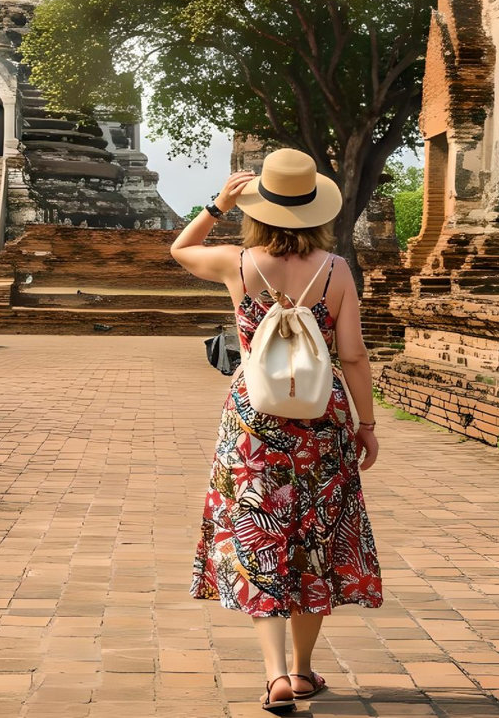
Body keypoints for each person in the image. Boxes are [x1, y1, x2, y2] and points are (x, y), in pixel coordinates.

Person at [170, 148, 384, 714]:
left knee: (260, 538)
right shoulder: (335, 270)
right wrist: (367, 424)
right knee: (313, 537)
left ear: (261, 208)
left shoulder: (237, 264)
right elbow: (355, 356)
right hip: (322, 417)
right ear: (316, 210)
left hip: (253, 417)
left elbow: (179, 248)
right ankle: (304, 668)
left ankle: (275, 678)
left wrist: (217, 203)